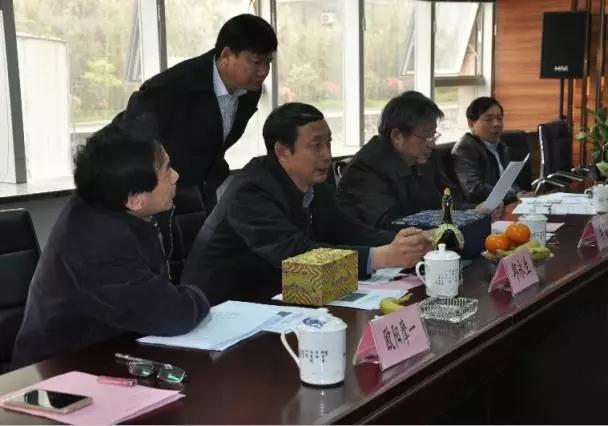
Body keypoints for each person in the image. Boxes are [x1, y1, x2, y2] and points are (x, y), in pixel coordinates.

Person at [181, 103, 431, 304]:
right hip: (221, 309)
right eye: (315, 146)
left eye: (329, 143)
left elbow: (348, 230)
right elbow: (295, 254)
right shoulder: (250, 192)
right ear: (283, 152)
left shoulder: (315, 184)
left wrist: (408, 242)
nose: (327, 155)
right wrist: (381, 257)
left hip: (283, 297)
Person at [11, 119, 210, 368]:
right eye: (167, 170)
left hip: (107, 355)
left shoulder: (105, 202)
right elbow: (172, 314)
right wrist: (198, 294)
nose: (176, 176)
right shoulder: (97, 244)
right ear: (134, 200)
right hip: (59, 374)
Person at [116, 14, 277, 212]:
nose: (264, 71)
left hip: (202, 190)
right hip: (158, 195)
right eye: (257, 62)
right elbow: (131, 143)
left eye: (268, 62)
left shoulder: (249, 90)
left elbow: (216, 141)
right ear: (226, 55)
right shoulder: (171, 87)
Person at [336, 91, 481, 230]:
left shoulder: (422, 160)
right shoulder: (366, 168)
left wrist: (474, 211)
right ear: (397, 136)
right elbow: (386, 223)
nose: (432, 144)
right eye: (426, 137)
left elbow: (439, 203)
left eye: (434, 135)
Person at [451, 96, 520, 204]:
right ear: (471, 123)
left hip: (507, 202)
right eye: (489, 119)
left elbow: (508, 181)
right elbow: (474, 189)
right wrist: (512, 196)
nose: (496, 124)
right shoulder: (465, 149)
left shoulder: (501, 146)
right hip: (485, 208)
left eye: (499, 118)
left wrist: (520, 193)